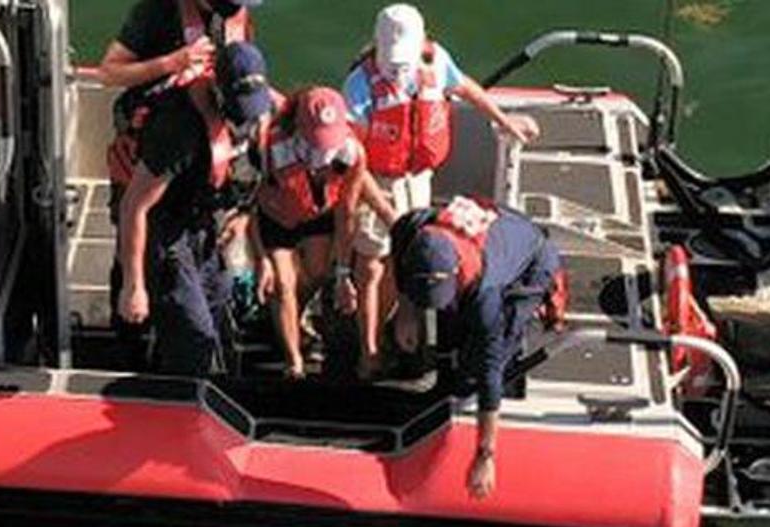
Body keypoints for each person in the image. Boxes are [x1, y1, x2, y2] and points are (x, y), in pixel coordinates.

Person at [341, 3, 540, 379]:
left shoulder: (436, 63)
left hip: (416, 176)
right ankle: (368, 352)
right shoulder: (359, 88)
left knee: (413, 252)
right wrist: (383, 208)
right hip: (375, 181)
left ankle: (405, 318)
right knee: (372, 267)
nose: (398, 69)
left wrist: (502, 119)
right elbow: (353, 160)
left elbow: (463, 86)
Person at [392, 196, 568, 499]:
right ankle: (448, 372)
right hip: (498, 231)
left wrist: (485, 456)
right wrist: (406, 310)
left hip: (529, 260)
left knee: (489, 355)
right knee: (451, 326)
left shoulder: (485, 294)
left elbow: (490, 370)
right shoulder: (412, 229)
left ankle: (487, 408)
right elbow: (400, 256)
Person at [116, 42, 275, 377]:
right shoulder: (179, 130)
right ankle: (181, 401)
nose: (246, 114)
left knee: (218, 312)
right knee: (192, 338)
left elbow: (250, 173)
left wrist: (243, 217)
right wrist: (135, 285)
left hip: (208, 228)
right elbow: (134, 206)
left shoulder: (255, 114)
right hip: (169, 231)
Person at [250, 87, 396, 379]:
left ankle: (289, 321)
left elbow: (346, 211)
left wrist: (343, 274)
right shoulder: (270, 148)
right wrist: (260, 257)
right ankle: (294, 360)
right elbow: (250, 207)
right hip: (276, 220)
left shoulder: (352, 153)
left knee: (317, 273)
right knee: (284, 284)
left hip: (317, 215)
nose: (325, 152)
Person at [97, 0, 263, 195]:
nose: (234, 11)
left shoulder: (236, 13)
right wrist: (171, 62)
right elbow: (108, 73)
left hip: (210, 119)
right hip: (161, 128)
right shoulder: (157, 11)